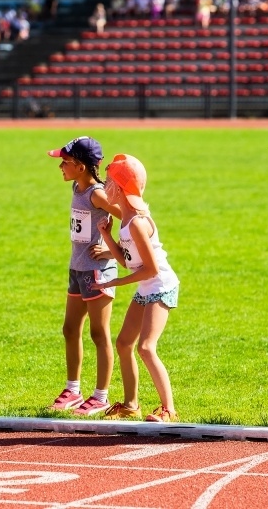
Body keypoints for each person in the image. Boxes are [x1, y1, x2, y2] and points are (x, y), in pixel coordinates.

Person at [95, 154, 180, 423]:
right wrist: (107, 236)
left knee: (146, 347)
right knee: (123, 343)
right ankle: (131, 405)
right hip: (146, 287)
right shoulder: (126, 220)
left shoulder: (138, 223)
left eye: (108, 182)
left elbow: (152, 269)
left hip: (160, 286)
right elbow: (129, 261)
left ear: (119, 188)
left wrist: (117, 282)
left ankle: (169, 410)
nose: (104, 186)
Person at [46, 137, 122, 416]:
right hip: (77, 268)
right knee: (70, 329)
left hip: (97, 270)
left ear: (79, 166)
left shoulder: (97, 194)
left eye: (64, 162)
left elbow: (132, 218)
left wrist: (114, 251)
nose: (60, 167)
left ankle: (101, 395)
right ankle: (73, 390)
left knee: (98, 333)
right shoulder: (77, 187)